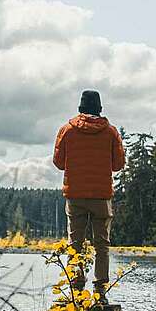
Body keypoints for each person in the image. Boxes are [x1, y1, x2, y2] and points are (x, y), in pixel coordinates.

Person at [52, 90, 125, 295]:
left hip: (75, 194)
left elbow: (58, 162)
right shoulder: (110, 132)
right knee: (101, 243)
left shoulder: (67, 130)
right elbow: (118, 164)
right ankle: (100, 286)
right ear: (99, 109)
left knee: (75, 242)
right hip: (101, 195)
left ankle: (76, 284)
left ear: (81, 108)